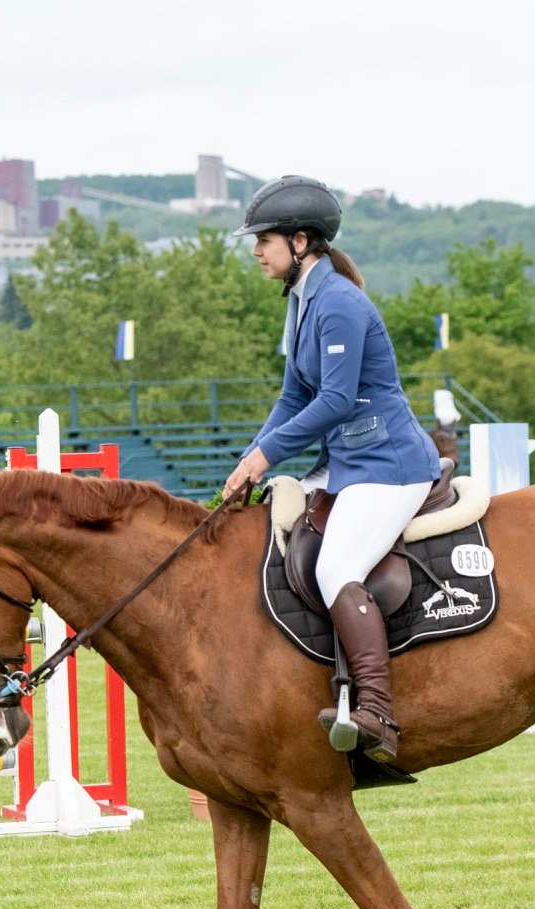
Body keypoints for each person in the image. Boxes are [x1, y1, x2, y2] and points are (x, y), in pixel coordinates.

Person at [223, 176, 441, 765]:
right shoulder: (300, 303)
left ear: (301, 242)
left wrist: (268, 455)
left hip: (388, 465)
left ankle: (375, 710)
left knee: (339, 564)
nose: (255, 250)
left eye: (263, 239)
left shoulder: (340, 302)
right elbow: (294, 397)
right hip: (346, 462)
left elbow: (336, 402)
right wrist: (251, 457)